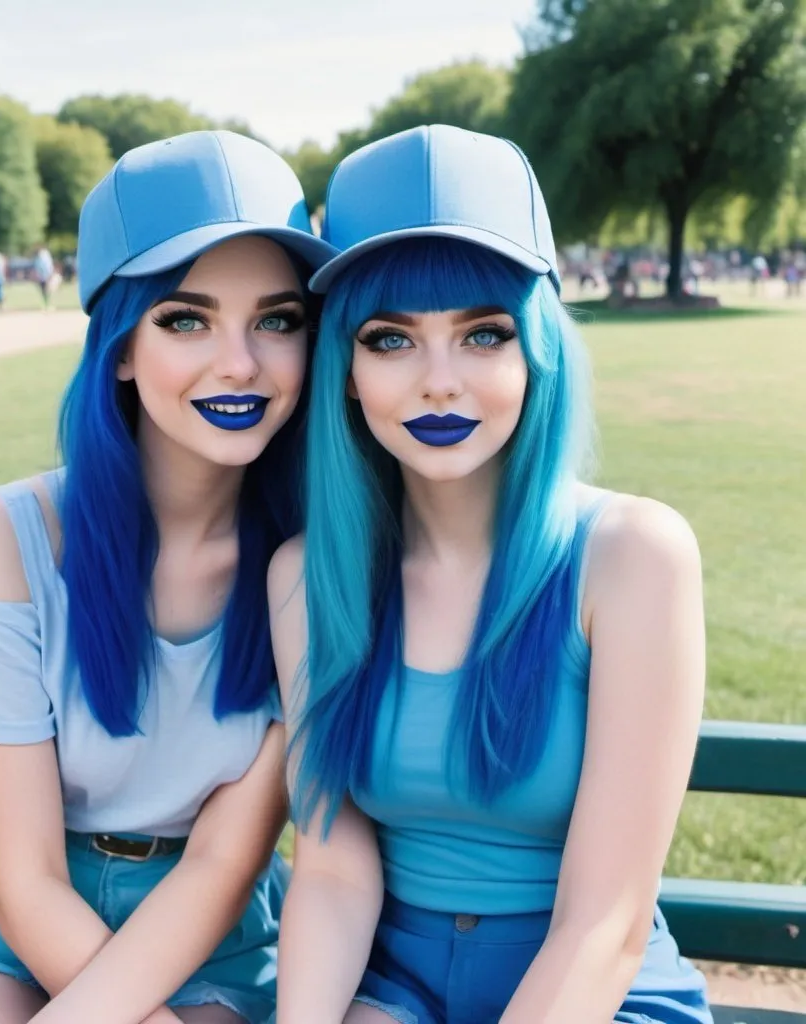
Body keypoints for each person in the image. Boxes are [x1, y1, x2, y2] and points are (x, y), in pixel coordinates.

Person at [0, 129, 336, 1024]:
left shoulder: (309, 568)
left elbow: (222, 860)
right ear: (121, 345)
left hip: (206, 937)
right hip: (1, 933)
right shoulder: (2, 542)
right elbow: (25, 877)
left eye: (277, 321)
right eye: (185, 319)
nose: (239, 362)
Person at [268, 125, 711, 1024]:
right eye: (391, 340)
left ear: (535, 347)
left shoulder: (631, 556)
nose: (439, 382)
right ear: (345, 371)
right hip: (393, 981)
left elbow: (607, 921)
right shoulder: (307, 576)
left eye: (483, 333)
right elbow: (332, 869)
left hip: (592, 987)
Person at [32, 244, 58, 310]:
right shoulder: (39, 258)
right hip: (43, 277)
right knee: (44, 291)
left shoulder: (43, 257)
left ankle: (48, 305)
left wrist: (49, 275)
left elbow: (47, 267)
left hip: (45, 276)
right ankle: (46, 305)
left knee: (47, 291)